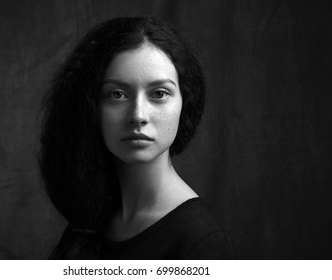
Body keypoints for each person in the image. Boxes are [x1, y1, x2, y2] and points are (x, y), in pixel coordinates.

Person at [39, 16, 234, 259]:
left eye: (159, 93)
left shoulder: (200, 241)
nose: (138, 116)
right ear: (90, 107)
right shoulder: (90, 218)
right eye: (117, 94)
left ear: (186, 102)